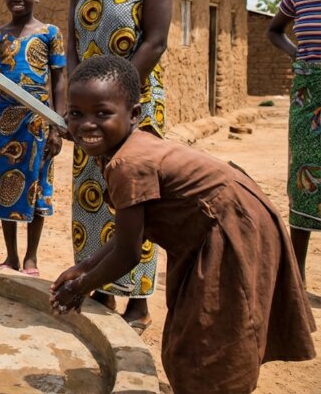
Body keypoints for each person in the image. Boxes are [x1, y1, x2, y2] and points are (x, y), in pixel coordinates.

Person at [51, 55, 315, 394]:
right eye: (76, 114)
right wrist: (84, 266)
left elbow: (129, 254)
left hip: (229, 230)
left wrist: (81, 286)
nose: (87, 125)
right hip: (224, 224)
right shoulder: (132, 146)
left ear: (133, 114)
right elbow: (127, 238)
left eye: (102, 113)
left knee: (211, 336)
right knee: (198, 328)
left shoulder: (128, 164)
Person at [66, 0, 172, 333]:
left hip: (135, 102)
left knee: (134, 195)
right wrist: (76, 93)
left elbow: (156, 39)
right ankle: (102, 289)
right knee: (93, 195)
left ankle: (139, 304)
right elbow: (72, 41)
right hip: (89, 108)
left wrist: (121, 93)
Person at [0, 0, 66, 277]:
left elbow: (59, 81)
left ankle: (31, 257)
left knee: (37, 188)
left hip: (39, 127)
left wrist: (57, 127)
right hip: (3, 125)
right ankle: (11, 255)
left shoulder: (49, 34)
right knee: (6, 187)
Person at [266, 0, 321, 282]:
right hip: (306, 94)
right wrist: (295, 53)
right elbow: (274, 30)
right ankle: (295, 278)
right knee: (302, 176)